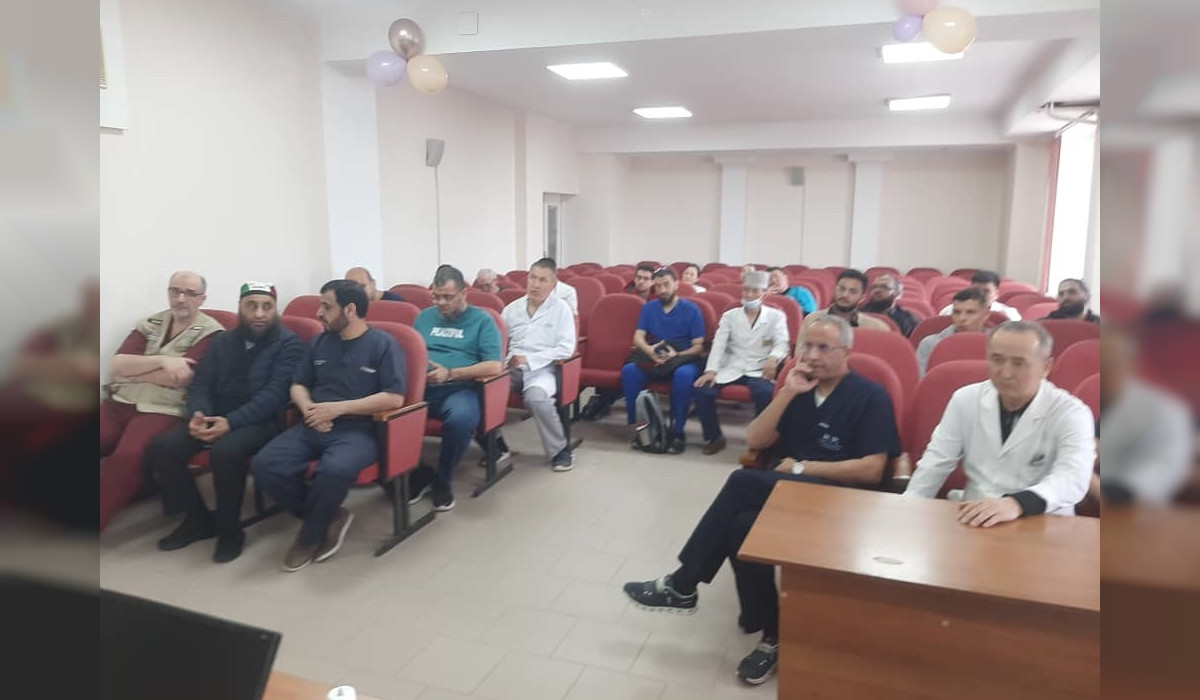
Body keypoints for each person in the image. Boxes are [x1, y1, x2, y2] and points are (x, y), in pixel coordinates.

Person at [622, 316, 901, 685]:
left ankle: (683, 583)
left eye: (823, 348)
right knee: (740, 529)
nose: (812, 356)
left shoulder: (870, 396)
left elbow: (872, 469)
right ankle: (772, 635)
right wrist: (786, 393)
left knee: (741, 481)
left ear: (846, 352)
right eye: (807, 346)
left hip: (841, 501)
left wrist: (802, 467)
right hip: (791, 492)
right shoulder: (799, 389)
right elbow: (755, 439)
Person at [250, 280, 407, 572]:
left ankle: (310, 535)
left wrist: (338, 408)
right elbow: (298, 384)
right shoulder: (320, 342)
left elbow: (394, 397)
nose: (319, 313)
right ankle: (329, 516)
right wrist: (309, 408)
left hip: (360, 429)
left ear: (350, 310)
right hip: (313, 421)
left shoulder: (383, 344)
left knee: (333, 470)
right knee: (265, 464)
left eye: (327, 306)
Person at [146, 282, 304, 563]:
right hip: (214, 415)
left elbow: (275, 395)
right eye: (251, 306)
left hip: (261, 421)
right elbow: (202, 383)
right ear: (240, 308)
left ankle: (230, 531)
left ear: (275, 310)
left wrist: (230, 422)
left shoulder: (289, 344)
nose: (259, 314)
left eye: (266, 307)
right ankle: (198, 520)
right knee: (163, 447)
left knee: (225, 452)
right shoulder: (223, 340)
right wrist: (199, 414)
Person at [905, 322, 1094, 526]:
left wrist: (1018, 503)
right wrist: (908, 508)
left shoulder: (1071, 413)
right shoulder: (965, 399)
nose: (1005, 373)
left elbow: (1073, 477)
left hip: (1044, 520)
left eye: (1019, 363)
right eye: (997, 360)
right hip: (975, 515)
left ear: (1046, 367)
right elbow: (936, 461)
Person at [100, 271, 225, 531]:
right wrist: (163, 361)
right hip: (121, 400)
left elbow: (179, 379)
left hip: (162, 408)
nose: (180, 299)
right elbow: (118, 364)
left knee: (128, 456)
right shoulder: (150, 322)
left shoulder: (212, 333)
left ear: (202, 299)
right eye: (174, 291)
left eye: (189, 293)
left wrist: (135, 371)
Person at [407, 265, 504, 511]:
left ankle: (443, 480)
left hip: (460, 388)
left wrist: (450, 373)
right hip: (422, 387)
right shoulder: (424, 317)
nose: (441, 303)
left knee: (460, 420)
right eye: (436, 296)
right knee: (386, 414)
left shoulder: (483, 320)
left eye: (447, 297)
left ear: (463, 294)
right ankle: (418, 474)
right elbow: (412, 354)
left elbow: (494, 366)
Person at [1090, 327, 1191, 505]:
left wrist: (1111, 492)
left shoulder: (1164, 410)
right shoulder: (1093, 398)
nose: (1103, 371)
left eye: (1109, 364)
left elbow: (1162, 467)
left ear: (1129, 365)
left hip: (1129, 506)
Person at [692, 271, 790, 455]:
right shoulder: (730, 316)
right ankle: (714, 437)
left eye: (755, 291)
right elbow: (719, 344)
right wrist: (711, 370)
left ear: (764, 293)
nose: (750, 294)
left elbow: (782, 343)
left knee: (765, 393)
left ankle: (760, 441)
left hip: (759, 369)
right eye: (746, 290)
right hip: (732, 366)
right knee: (702, 389)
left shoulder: (776, 316)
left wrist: (773, 358)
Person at [500, 259, 577, 470]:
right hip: (512, 367)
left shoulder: (561, 309)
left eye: (542, 280)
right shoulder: (511, 309)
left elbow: (566, 348)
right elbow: (498, 342)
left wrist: (530, 359)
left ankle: (560, 450)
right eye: (532, 278)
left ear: (553, 284)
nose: (535, 284)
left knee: (536, 399)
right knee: (487, 393)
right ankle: (496, 446)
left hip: (544, 369)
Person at [620, 268, 706, 454]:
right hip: (657, 356)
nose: (662, 290)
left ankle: (678, 432)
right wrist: (650, 351)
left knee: (683, 376)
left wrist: (677, 355)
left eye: (666, 285)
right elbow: (638, 337)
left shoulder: (691, 309)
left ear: (676, 285)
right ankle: (641, 429)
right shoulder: (649, 308)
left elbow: (698, 346)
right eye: (658, 286)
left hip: (683, 358)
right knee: (629, 371)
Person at [795, 269, 889, 349]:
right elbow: (800, 355)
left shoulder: (876, 328)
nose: (845, 295)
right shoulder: (812, 320)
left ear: (862, 297)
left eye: (852, 291)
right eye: (841, 289)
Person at [916, 287, 989, 376]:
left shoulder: (997, 344)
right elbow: (923, 381)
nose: (961, 318)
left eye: (970, 312)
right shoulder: (930, 344)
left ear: (985, 315)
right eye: (957, 312)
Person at [938, 270, 1021, 320]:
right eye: (976, 290)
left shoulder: (1009, 314)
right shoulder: (949, 311)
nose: (980, 295)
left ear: (996, 294)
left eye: (986, 291)